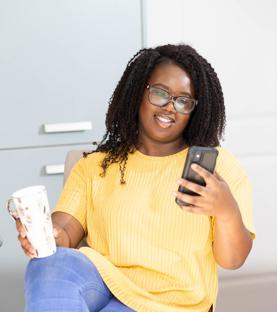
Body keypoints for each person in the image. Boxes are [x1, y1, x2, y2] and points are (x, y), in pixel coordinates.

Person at [16, 44, 255, 312]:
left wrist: (227, 211)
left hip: (173, 304)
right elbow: (65, 232)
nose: (169, 108)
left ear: (194, 110)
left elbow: (233, 259)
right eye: (160, 93)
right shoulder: (95, 166)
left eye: (183, 100)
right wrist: (47, 235)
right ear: (138, 91)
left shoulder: (217, 168)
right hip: (102, 281)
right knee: (48, 262)